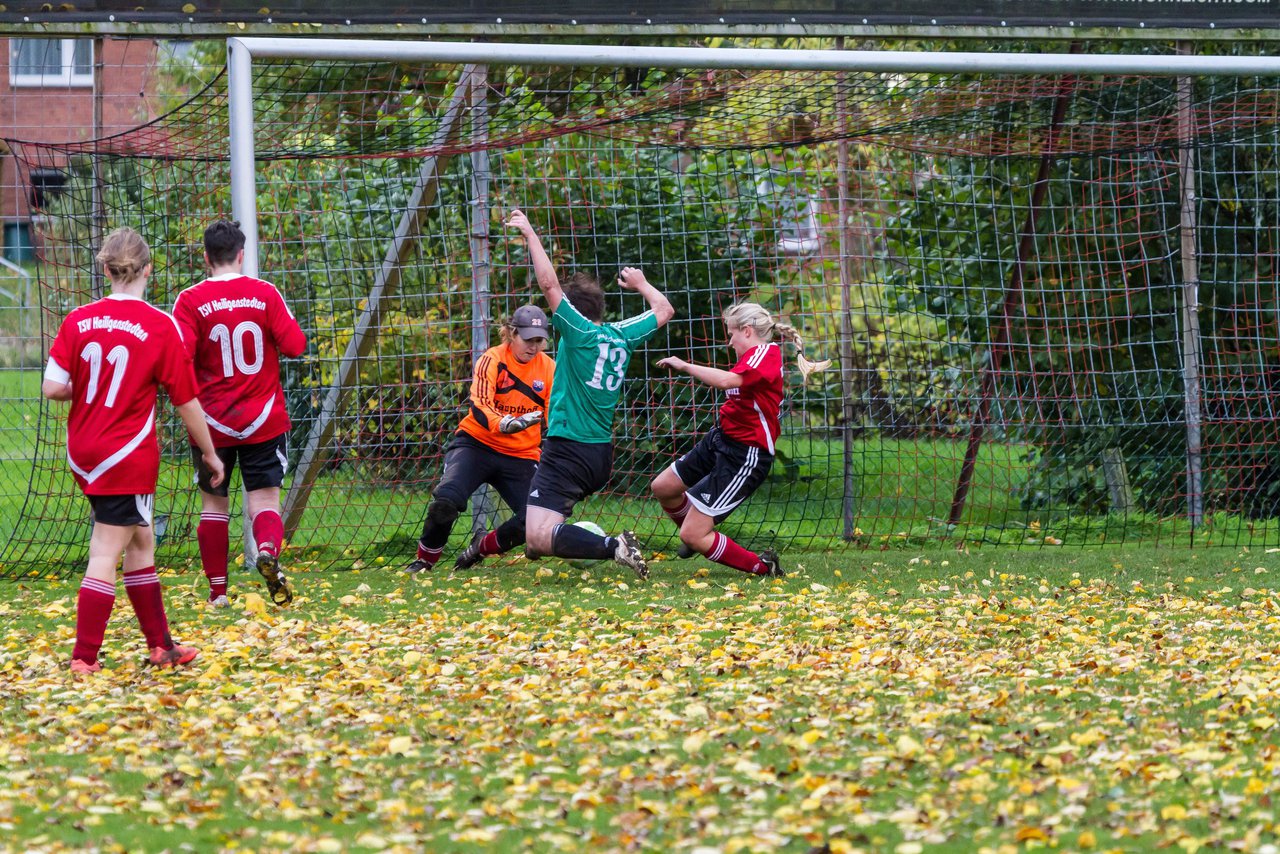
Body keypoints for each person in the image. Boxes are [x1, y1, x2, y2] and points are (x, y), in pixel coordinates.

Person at [43, 227, 227, 674]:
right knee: (107, 550)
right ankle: (84, 658)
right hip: (124, 454)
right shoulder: (159, 325)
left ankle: (161, 646)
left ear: (106, 270)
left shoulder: (77, 319)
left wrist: (90, 388)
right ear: (149, 270)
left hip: (84, 450)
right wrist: (210, 453)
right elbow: (186, 402)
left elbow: (53, 388)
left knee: (141, 541)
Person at [504, 209, 674, 578]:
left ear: (572, 311)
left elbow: (549, 286)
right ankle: (575, 539)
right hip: (599, 453)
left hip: (569, 447)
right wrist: (641, 283)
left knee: (537, 537)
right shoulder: (621, 335)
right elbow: (664, 309)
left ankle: (613, 546)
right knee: (540, 530)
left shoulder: (577, 332)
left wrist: (531, 234)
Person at [172, 220, 307, 607]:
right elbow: (295, 345)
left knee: (214, 504)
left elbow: (180, 358)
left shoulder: (190, 300)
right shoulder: (264, 293)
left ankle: (217, 594)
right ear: (242, 254)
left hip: (210, 423)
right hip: (263, 419)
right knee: (264, 502)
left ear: (205, 257)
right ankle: (266, 549)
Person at [651, 302, 830, 578]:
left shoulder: (765, 355)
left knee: (693, 533)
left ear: (747, 331)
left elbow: (726, 381)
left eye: (732, 333)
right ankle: (695, 537)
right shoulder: (754, 356)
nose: (730, 341)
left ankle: (762, 567)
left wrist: (685, 365)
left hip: (746, 455)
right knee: (663, 487)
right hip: (721, 438)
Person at [405, 305, 556, 573]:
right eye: (527, 339)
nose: (533, 347)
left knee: (534, 520)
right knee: (446, 502)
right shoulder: (492, 359)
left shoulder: (549, 369)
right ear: (511, 333)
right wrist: (505, 423)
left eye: (539, 340)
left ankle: (479, 549)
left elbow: (555, 414)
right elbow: (480, 404)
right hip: (476, 444)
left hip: (521, 455)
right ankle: (424, 562)